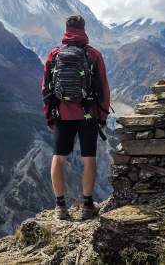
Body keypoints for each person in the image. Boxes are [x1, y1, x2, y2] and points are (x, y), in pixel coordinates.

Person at [42, 14, 110, 220]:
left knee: (59, 158)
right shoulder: (94, 55)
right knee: (89, 159)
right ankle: (88, 205)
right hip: (88, 114)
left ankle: (60, 206)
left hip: (62, 113)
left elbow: (46, 89)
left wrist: (49, 117)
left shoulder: (54, 55)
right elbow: (103, 89)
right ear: (84, 29)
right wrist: (103, 117)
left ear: (66, 29)